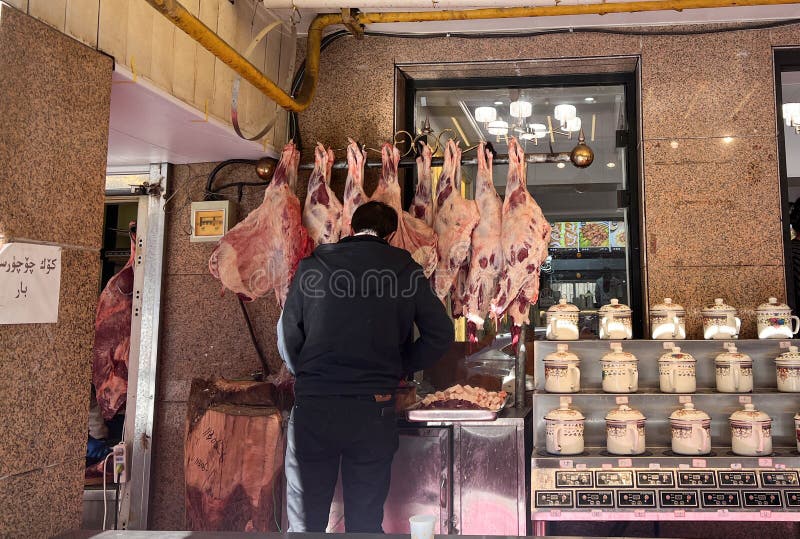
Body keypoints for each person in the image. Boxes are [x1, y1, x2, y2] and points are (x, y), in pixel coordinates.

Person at [277, 200, 454, 533]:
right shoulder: (404, 270)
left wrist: (310, 375)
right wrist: (400, 366)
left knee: (304, 520)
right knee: (364, 520)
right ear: (390, 236)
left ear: (350, 228)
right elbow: (440, 334)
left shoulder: (311, 267)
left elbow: (287, 338)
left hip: (315, 408)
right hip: (373, 411)